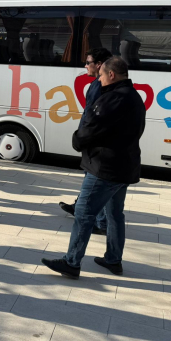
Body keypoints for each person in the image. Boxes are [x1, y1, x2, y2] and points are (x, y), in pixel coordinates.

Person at [41, 57, 146, 279]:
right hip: (124, 166)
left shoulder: (113, 98)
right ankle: (113, 259)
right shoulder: (134, 96)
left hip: (105, 167)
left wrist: (77, 140)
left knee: (83, 212)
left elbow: (91, 129)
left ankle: (72, 262)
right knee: (115, 214)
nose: (99, 79)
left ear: (111, 75)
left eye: (101, 75)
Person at [58, 47, 114, 235]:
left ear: (99, 65)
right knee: (90, 178)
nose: (85, 66)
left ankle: (101, 222)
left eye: (88, 62)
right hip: (92, 140)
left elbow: (92, 116)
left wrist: (83, 136)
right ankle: (79, 207)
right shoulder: (100, 85)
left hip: (93, 141)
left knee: (96, 180)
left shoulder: (98, 86)